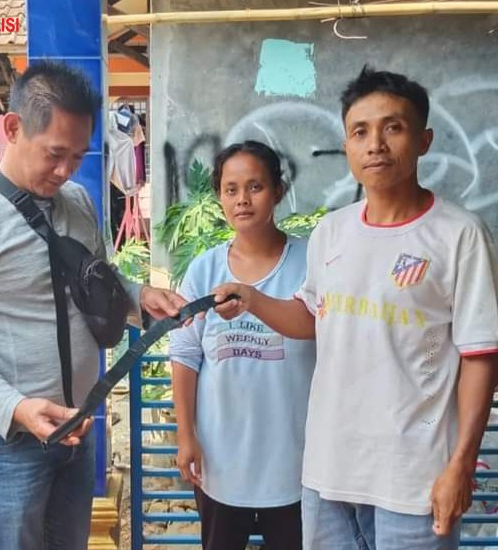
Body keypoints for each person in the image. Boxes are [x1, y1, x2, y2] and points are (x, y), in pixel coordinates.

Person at [212, 66, 498, 550]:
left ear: (424, 140)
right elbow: (311, 318)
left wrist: (461, 465)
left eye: (393, 128)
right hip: (328, 475)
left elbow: (480, 356)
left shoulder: (459, 235)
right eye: (360, 132)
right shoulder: (332, 232)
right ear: (346, 145)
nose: (375, 145)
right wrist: (251, 298)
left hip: (414, 481)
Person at [0, 60, 185, 550]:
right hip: (7, 444)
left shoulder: (78, 201)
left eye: (77, 157)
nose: (65, 171)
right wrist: (16, 408)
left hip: (78, 428)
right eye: (55, 154)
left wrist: (139, 296)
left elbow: (96, 282)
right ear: (13, 128)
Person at [169, 141, 315, 550]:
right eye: (230, 189)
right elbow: (185, 355)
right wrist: (186, 435)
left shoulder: (309, 262)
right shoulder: (204, 269)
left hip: (294, 464)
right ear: (219, 196)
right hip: (221, 462)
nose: (242, 200)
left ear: (278, 191)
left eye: (255, 187)